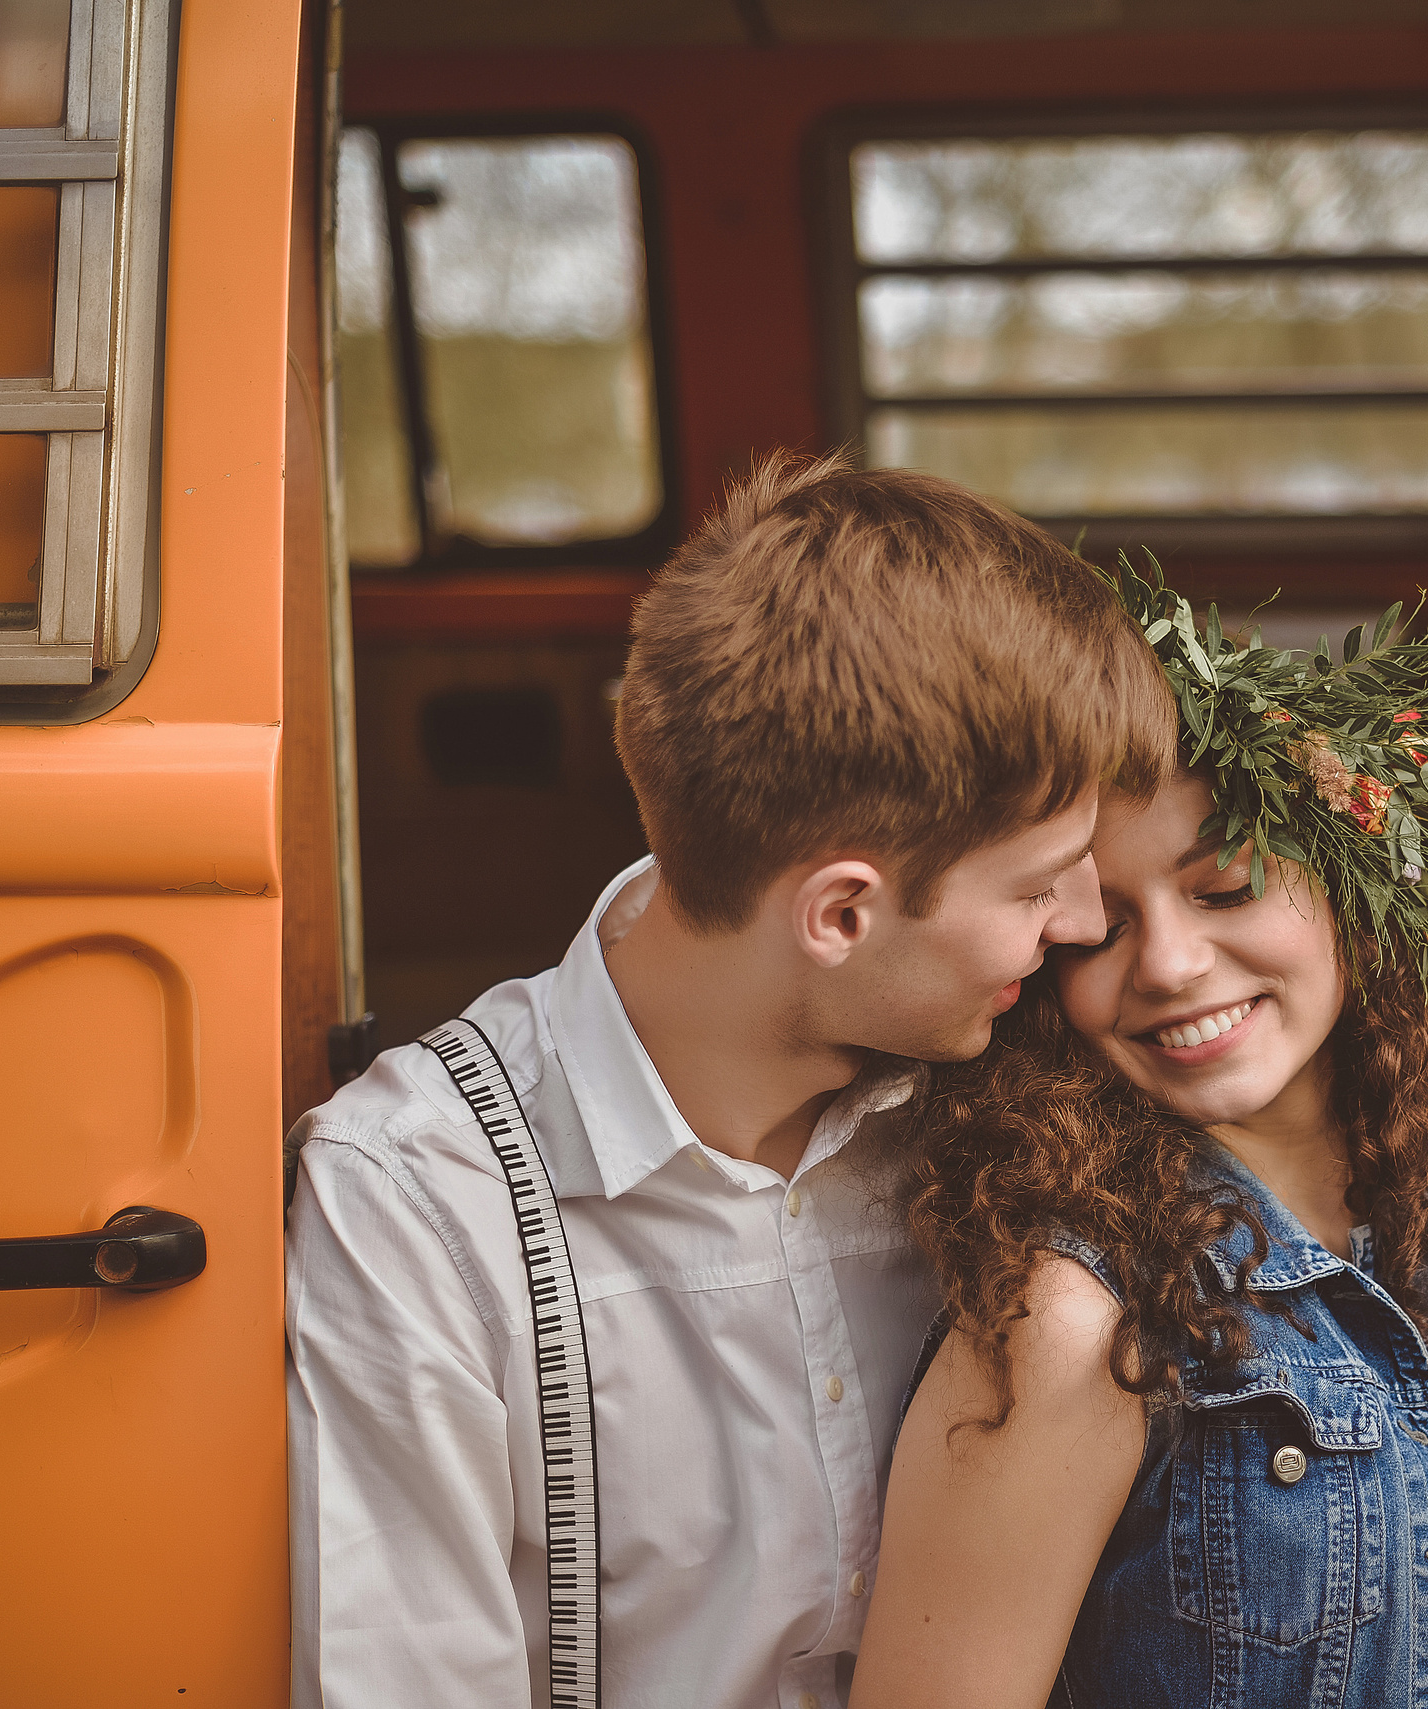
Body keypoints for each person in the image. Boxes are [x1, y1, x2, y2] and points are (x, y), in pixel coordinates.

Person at [283, 454, 1171, 1709]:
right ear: (843, 913)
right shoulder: (417, 1200)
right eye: (1037, 885)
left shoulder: (1019, 1099)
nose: (1083, 921)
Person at [852, 564, 1428, 1709]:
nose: (1170, 964)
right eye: (1101, 928)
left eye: (1227, 886)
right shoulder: (1073, 1322)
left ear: (1346, 882)